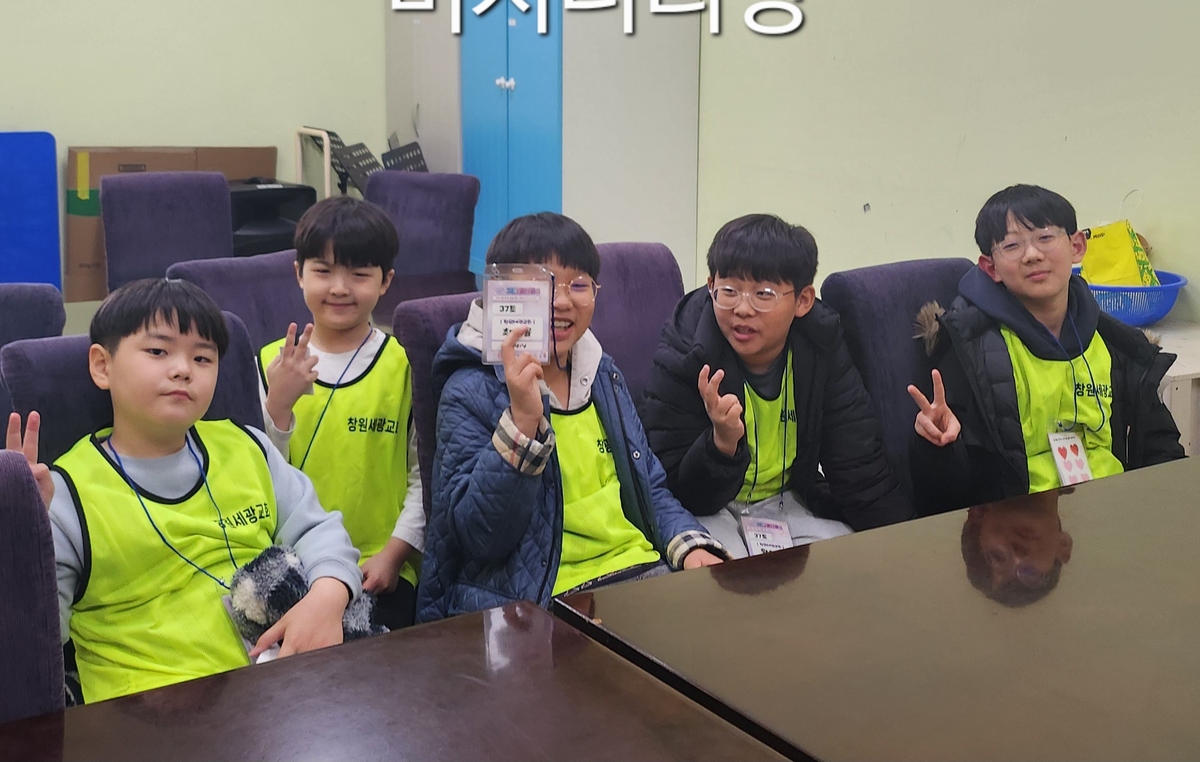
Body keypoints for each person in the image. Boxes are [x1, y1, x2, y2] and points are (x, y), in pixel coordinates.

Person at [6, 277, 360, 704]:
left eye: (202, 357)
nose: (183, 369)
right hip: (152, 712)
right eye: (158, 352)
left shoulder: (248, 447)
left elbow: (320, 530)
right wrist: (20, 534)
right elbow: (35, 641)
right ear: (102, 366)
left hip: (281, 684)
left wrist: (327, 596)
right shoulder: (65, 493)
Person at [417, 213, 727, 621]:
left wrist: (690, 545)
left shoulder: (602, 373)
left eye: (578, 285)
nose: (562, 301)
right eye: (541, 285)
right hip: (542, 598)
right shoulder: (470, 388)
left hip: (638, 574)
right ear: (502, 295)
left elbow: (648, 486)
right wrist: (522, 424)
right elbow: (481, 538)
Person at [641, 214, 911, 558]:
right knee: (727, 578)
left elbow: (859, 467)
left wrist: (906, 548)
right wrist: (721, 445)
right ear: (711, 286)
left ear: (803, 300)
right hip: (709, 511)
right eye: (729, 291)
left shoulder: (821, 345)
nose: (742, 309)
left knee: (851, 563)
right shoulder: (687, 348)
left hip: (788, 504)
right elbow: (671, 491)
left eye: (763, 294)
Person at [908, 184, 1184, 515]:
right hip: (1019, 530)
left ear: (1077, 246)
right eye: (1012, 245)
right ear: (990, 268)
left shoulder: (1118, 346)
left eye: (1045, 237)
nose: (1032, 255)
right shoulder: (970, 349)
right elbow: (945, 493)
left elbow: (1161, 450)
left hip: (1113, 516)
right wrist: (938, 447)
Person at [259, 196, 422, 630]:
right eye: (323, 271)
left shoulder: (405, 366)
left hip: (380, 566)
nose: (339, 288)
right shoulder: (270, 364)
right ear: (299, 273)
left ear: (386, 281)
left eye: (359, 274)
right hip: (290, 565)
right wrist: (278, 406)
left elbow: (422, 478)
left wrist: (395, 553)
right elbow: (256, 478)